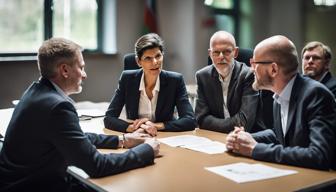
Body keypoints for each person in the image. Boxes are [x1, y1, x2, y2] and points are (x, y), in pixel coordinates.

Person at [0, 38, 160, 192]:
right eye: (81, 67)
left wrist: (122, 140)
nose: (84, 75)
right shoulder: (58, 107)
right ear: (64, 70)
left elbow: (75, 137)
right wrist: (146, 151)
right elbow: (97, 166)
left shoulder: (36, 91)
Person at [226, 35, 336, 170]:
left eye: (254, 63)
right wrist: (245, 138)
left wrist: (255, 149)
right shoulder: (279, 94)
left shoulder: (316, 94)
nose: (251, 68)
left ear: (273, 69)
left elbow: (319, 155)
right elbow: (279, 133)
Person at [104, 33, 196, 135]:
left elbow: (190, 120)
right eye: (148, 58)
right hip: (137, 135)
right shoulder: (127, 79)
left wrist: (155, 126)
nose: (155, 62)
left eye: (158, 56)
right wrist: (133, 128)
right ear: (138, 61)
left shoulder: (175, 80)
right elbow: (109, 118)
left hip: (165, 135)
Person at [195, 30, 261, 133]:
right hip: (214, 139)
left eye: (226, 51)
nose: (221, 57)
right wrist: (232, 125)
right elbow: (201, 119)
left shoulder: (248, 75)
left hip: (244, 139)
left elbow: (244, 122)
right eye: (216, 52)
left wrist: (212, 124)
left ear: (236, 52)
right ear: (210, 54)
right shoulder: (202, 76)